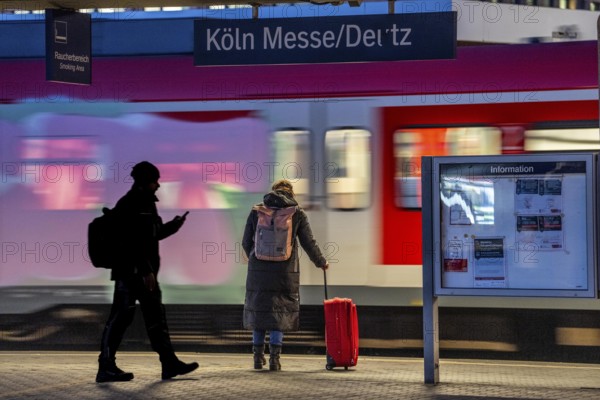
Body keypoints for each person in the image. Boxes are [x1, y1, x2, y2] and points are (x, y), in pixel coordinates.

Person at [96, 161, 199, 383]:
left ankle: (169, 363)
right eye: (155, 181)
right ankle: (105, 367)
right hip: (132, 273)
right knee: (122, 318)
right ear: (146, 182)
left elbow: (152, 235)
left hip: (140, 273)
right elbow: (132, 242)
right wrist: (145, 270)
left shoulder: (144, 203)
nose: (158, 185)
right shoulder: (133, 203)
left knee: (154, 318)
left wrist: (174, 225)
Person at [241, 179, 329, 371]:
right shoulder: (297, 214)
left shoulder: (257, 211)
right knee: (279, 314)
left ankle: (257, 358)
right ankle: (274, 359)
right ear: (291, 194)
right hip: (284, 271)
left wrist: (256, 259)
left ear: (272, 192)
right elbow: (308, 242)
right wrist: (321, 262)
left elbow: (246, 242)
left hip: (258, 272)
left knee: (259, 312)